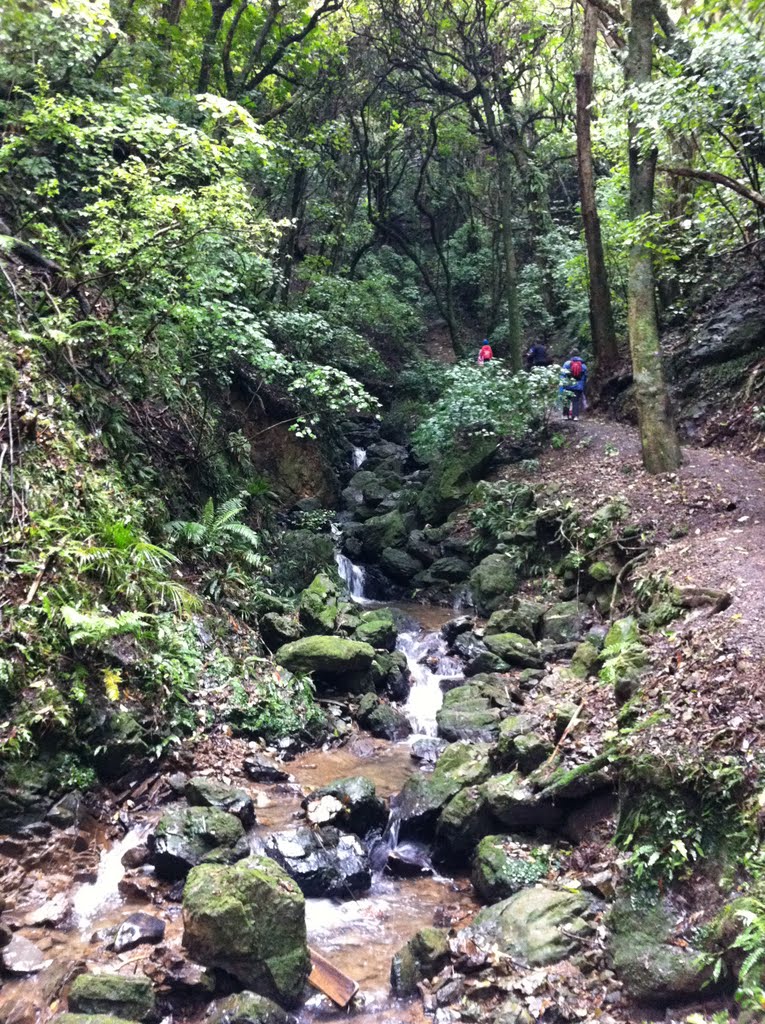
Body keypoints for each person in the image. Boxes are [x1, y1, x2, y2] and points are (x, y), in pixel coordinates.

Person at [559, 352, 588, 420]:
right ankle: (575, 416)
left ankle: (565, 415)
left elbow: (563, 374)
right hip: (578, 387)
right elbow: (585, 377)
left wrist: (562, 384)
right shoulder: (583, 366)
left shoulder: (567, 364)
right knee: (576, 401)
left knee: (566, 400)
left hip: (568, 385)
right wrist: (582, 385)